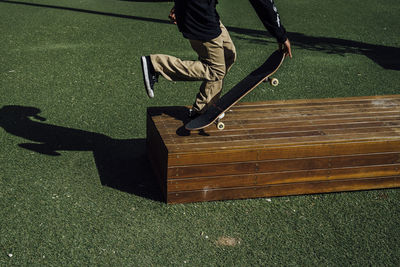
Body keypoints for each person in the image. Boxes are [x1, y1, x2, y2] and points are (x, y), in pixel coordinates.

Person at [141, 0, 292, 118]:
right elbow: (263, 3)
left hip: (198, 10)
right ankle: (155, 64)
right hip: (199, 15)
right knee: (216, 70)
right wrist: (280, 35)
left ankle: (204, 108)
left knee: (228, 54)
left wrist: (181, 6)